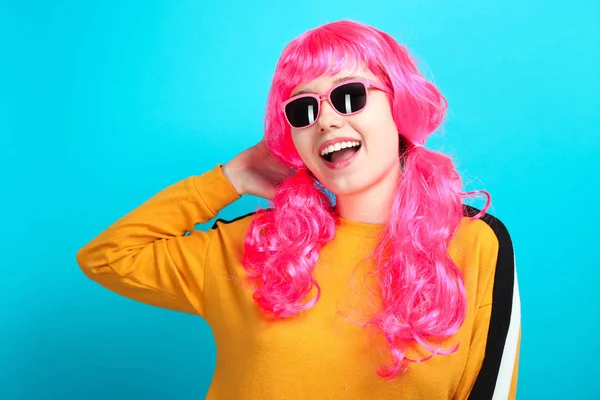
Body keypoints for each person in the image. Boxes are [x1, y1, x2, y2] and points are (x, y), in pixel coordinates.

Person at [76, 20, 521, 400]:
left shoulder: (475, 243)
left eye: (349, 96)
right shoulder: (259, 245)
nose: (326, 120)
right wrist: (228, 179)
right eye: (304, 108)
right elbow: (108, 257)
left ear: (398, 103)